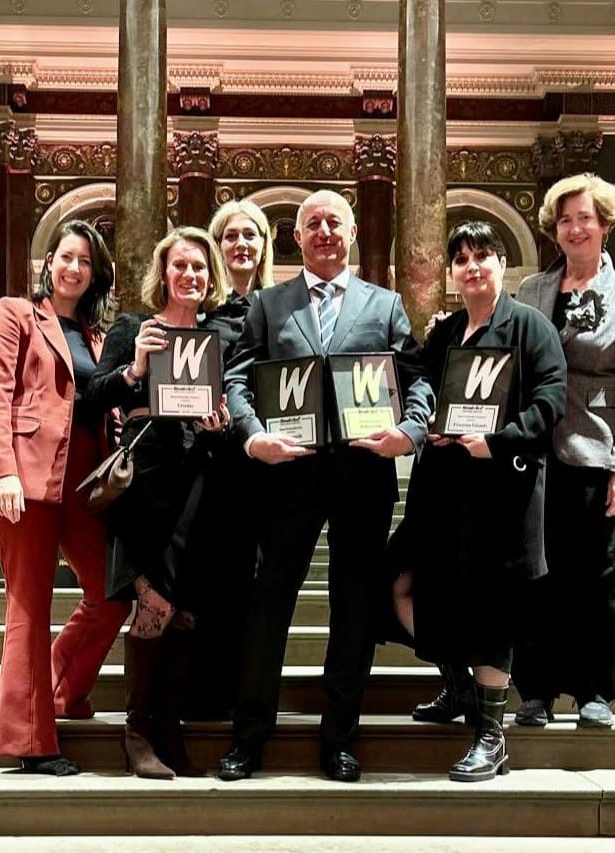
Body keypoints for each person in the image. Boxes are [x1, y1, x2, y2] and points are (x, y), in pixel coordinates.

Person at [217, 189, 434, 783]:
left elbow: (416, 378)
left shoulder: (385, 305)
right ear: (297, 238)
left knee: (355, 609)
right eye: (312, 223)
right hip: (286, 476)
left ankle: (339, 738)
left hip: (364, 475)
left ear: (353, 233)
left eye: (334, 222)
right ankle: (248, 737)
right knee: (270, 605)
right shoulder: (268, 305)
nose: (324, 232)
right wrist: (253, 436)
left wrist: (409, 431)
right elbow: (237, 379)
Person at [389, 222, 567, 781]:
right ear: (451, 272)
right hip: (441, 490)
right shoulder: (445, 333)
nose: (472, 266)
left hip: (502, 491)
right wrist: (420, 421)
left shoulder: (531, 327)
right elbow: (417, 384)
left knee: (493, 610)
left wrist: (497, 441)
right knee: (402, 581)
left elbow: (551, 402)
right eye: (462, 259)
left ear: (501, 264)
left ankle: (491, 736)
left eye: (483, 255)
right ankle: (459, 687)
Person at [0, 219, 131, 776]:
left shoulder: (96, 337)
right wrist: (2, 471)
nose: (74, 268)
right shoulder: (15, 313)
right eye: (66, 256)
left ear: (96, 274)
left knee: (111, 595)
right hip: (26, 478)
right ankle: (31, 741)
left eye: (85, 261)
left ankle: (59, 689)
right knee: (29, 606)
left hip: (85, 483)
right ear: (48, 262)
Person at [86, 225, 232, 778]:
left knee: (187, 610)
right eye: (180, 265)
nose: (190, 275)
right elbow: (90, 397)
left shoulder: (217, 338)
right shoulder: (133, 328)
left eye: (199, 267)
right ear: (163, 273)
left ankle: (169, 727)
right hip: (145, 481)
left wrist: (220, 425)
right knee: (156, 605)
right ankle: (137, 731)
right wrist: (135, 369)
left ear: (210, 277)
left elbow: (229, 412)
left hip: (198, 482)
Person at [511, 173, 615, 728]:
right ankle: (536, 691)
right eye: (565, 219)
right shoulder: (531, 291)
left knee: (600, 581)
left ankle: (595, 691)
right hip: (536, 453)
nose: (575, 228)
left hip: (599, 454)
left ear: (605, 225)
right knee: (538, 577)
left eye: (585, 218)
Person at [179, 199, 276, 720]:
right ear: (218, 246)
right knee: (212, 578)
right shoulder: (201, 316)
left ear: (264, 246)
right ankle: (204, 695)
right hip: (213, 464)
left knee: (256, 584)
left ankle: (249, 695)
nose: (241, 244)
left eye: (250, 234)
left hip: (266, 468)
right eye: (231, 235)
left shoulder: (281, 309)